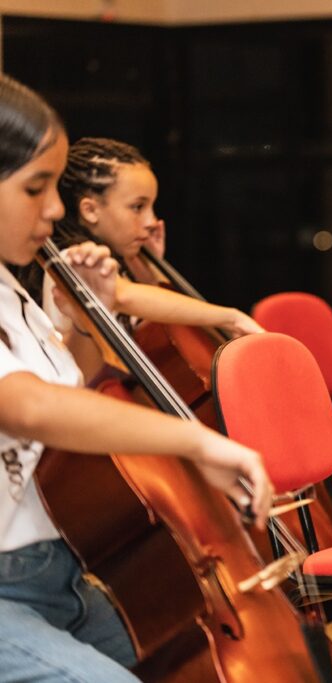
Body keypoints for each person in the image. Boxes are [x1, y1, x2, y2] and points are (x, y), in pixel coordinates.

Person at [0, 73, 272, 682]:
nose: (55, 209)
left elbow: (76, 389)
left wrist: (78, 322)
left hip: (59, 571)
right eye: (36, 188)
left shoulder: (10, 288)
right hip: (6, 588)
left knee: (204, 651)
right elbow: (27, 407)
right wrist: (196, 440)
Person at [18, 137, 263, 380]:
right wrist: (231, 317)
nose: (150, 222)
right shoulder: (74, 260)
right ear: (90, 210)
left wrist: (150, 275)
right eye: (138, 207)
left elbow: (156, 331)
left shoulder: (118, 265)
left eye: (152, 207)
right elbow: (121, 296)